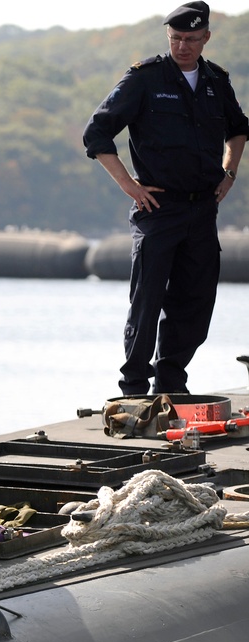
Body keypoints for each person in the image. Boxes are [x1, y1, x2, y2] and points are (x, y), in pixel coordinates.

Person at [82, 1, 248, 396]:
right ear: (167, 37)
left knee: (195, 301)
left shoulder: (215, 81)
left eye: (191, 39)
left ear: (206, 37)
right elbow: (97, 134)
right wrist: (129, 186)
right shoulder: (145, 78)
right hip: (158, 208)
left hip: (202, 208)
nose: (183, 47)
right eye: (175, 39)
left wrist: (230, 173)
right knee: (147, 300)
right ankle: (135, 387)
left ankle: (171, 382)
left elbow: (239, 129)